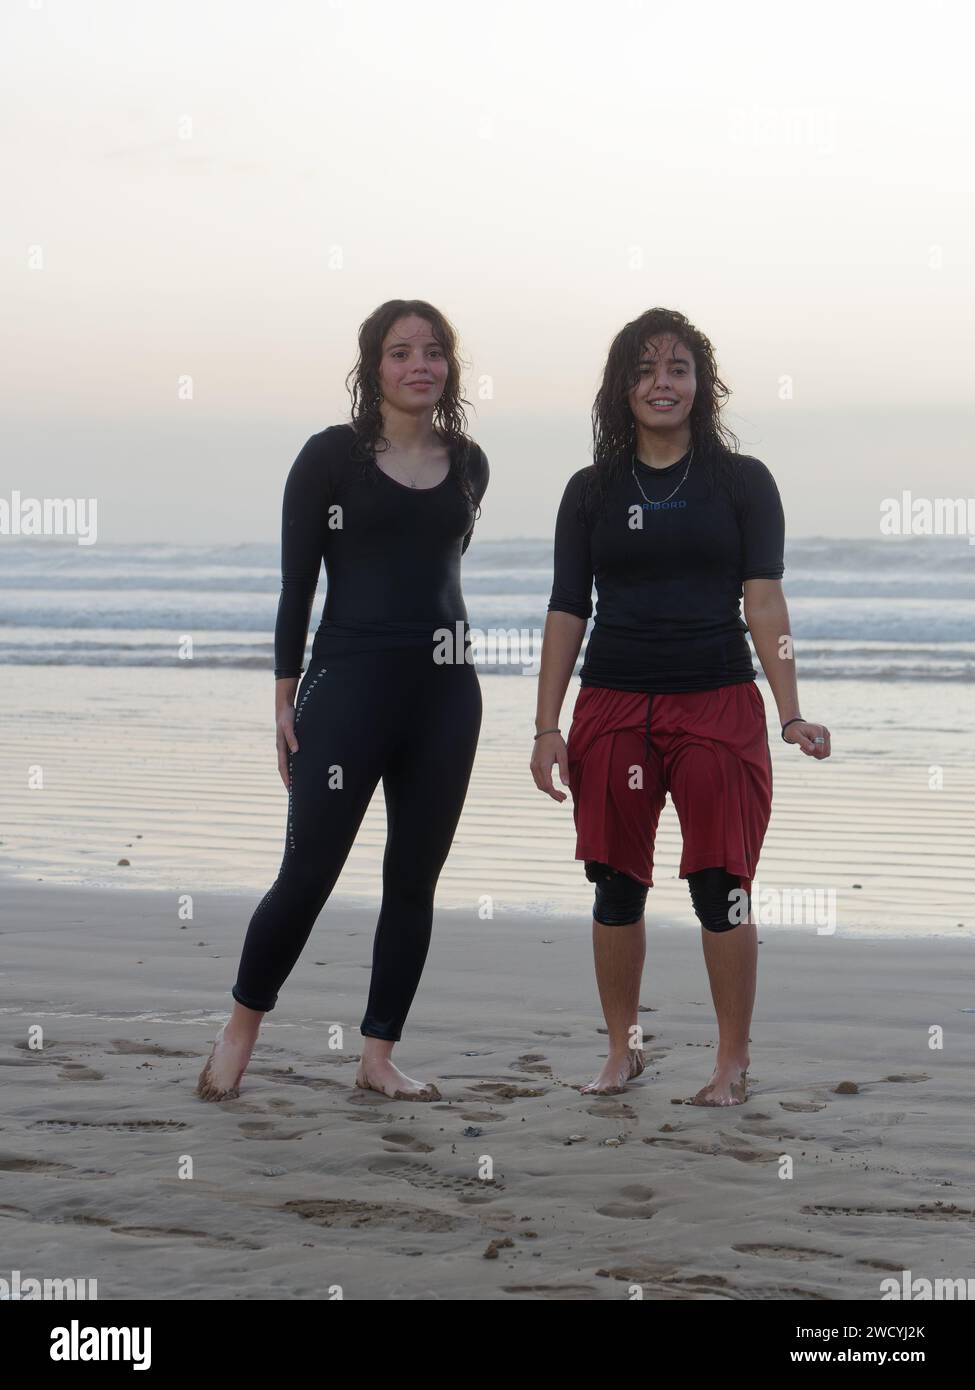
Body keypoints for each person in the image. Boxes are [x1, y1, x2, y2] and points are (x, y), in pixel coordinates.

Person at [530, 307, 830, 1105]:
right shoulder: (590, 491)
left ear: (700, 384)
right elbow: (567, 610)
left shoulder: (740, 482)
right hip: (613, 705)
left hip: (716, 704)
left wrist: (790, 710)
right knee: (614, 884)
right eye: (643, 370)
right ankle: (621, 1052)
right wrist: (545, 725)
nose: (661, 384)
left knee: (720, 884)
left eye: (676, 369)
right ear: (620, 388)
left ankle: (730, 1064)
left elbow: (763, 602)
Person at [197, 300, 489, 1103]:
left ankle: (377, 1055)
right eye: (400, 353)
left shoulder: (469, 462)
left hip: (446, 692)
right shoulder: (330, 458)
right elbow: (300, 587)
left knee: (413, 878)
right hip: (347, 687)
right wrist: (285, 700)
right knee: (309, 872)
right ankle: (240, 1029)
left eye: (433, 352)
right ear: (374, 369)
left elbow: (440, 570)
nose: (419, 365)